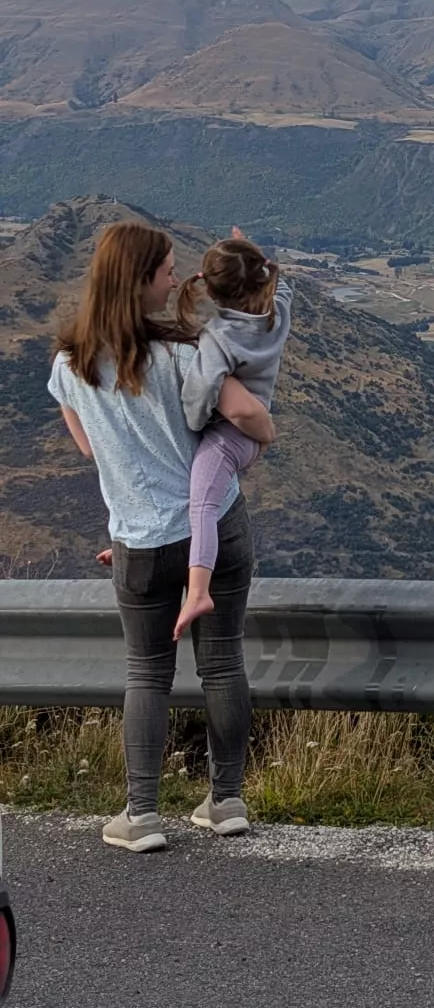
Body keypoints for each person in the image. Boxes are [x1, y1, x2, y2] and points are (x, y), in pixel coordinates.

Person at [48, 222, 275, 853]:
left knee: (147, 674)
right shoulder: (184, 354)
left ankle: (141, 814)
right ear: (141, 282)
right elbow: (245, 413)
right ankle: (226, 801)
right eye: (167, 270)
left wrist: (130, 505)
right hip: (216, 526)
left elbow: (94, 451)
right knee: (223, 661)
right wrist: (266, 433)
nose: (176, 277)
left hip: (141, 542)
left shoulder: (70, 366)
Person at [172, 233, 292, 643]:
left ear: (211, 290)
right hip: (253, 433)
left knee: (201, 503)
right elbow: (284, 284)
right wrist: (254, 253)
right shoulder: (278, 313)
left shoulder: (217, 338)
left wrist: (195, 423)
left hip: (227, 437)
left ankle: (199, 591)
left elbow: (199, 395)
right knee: (198, 498)